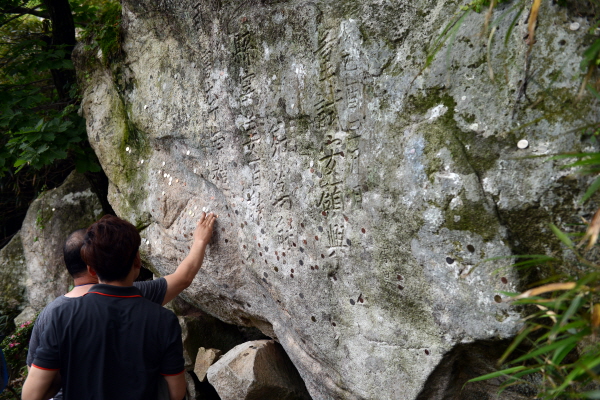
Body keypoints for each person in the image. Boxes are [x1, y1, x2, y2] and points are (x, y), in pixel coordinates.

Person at [22, 213, 217, 400]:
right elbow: (176, 393)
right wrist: (199, 241)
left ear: (92, 268)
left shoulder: (59, 316)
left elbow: (32, 394)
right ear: (138, 262)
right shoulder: (162, 318)